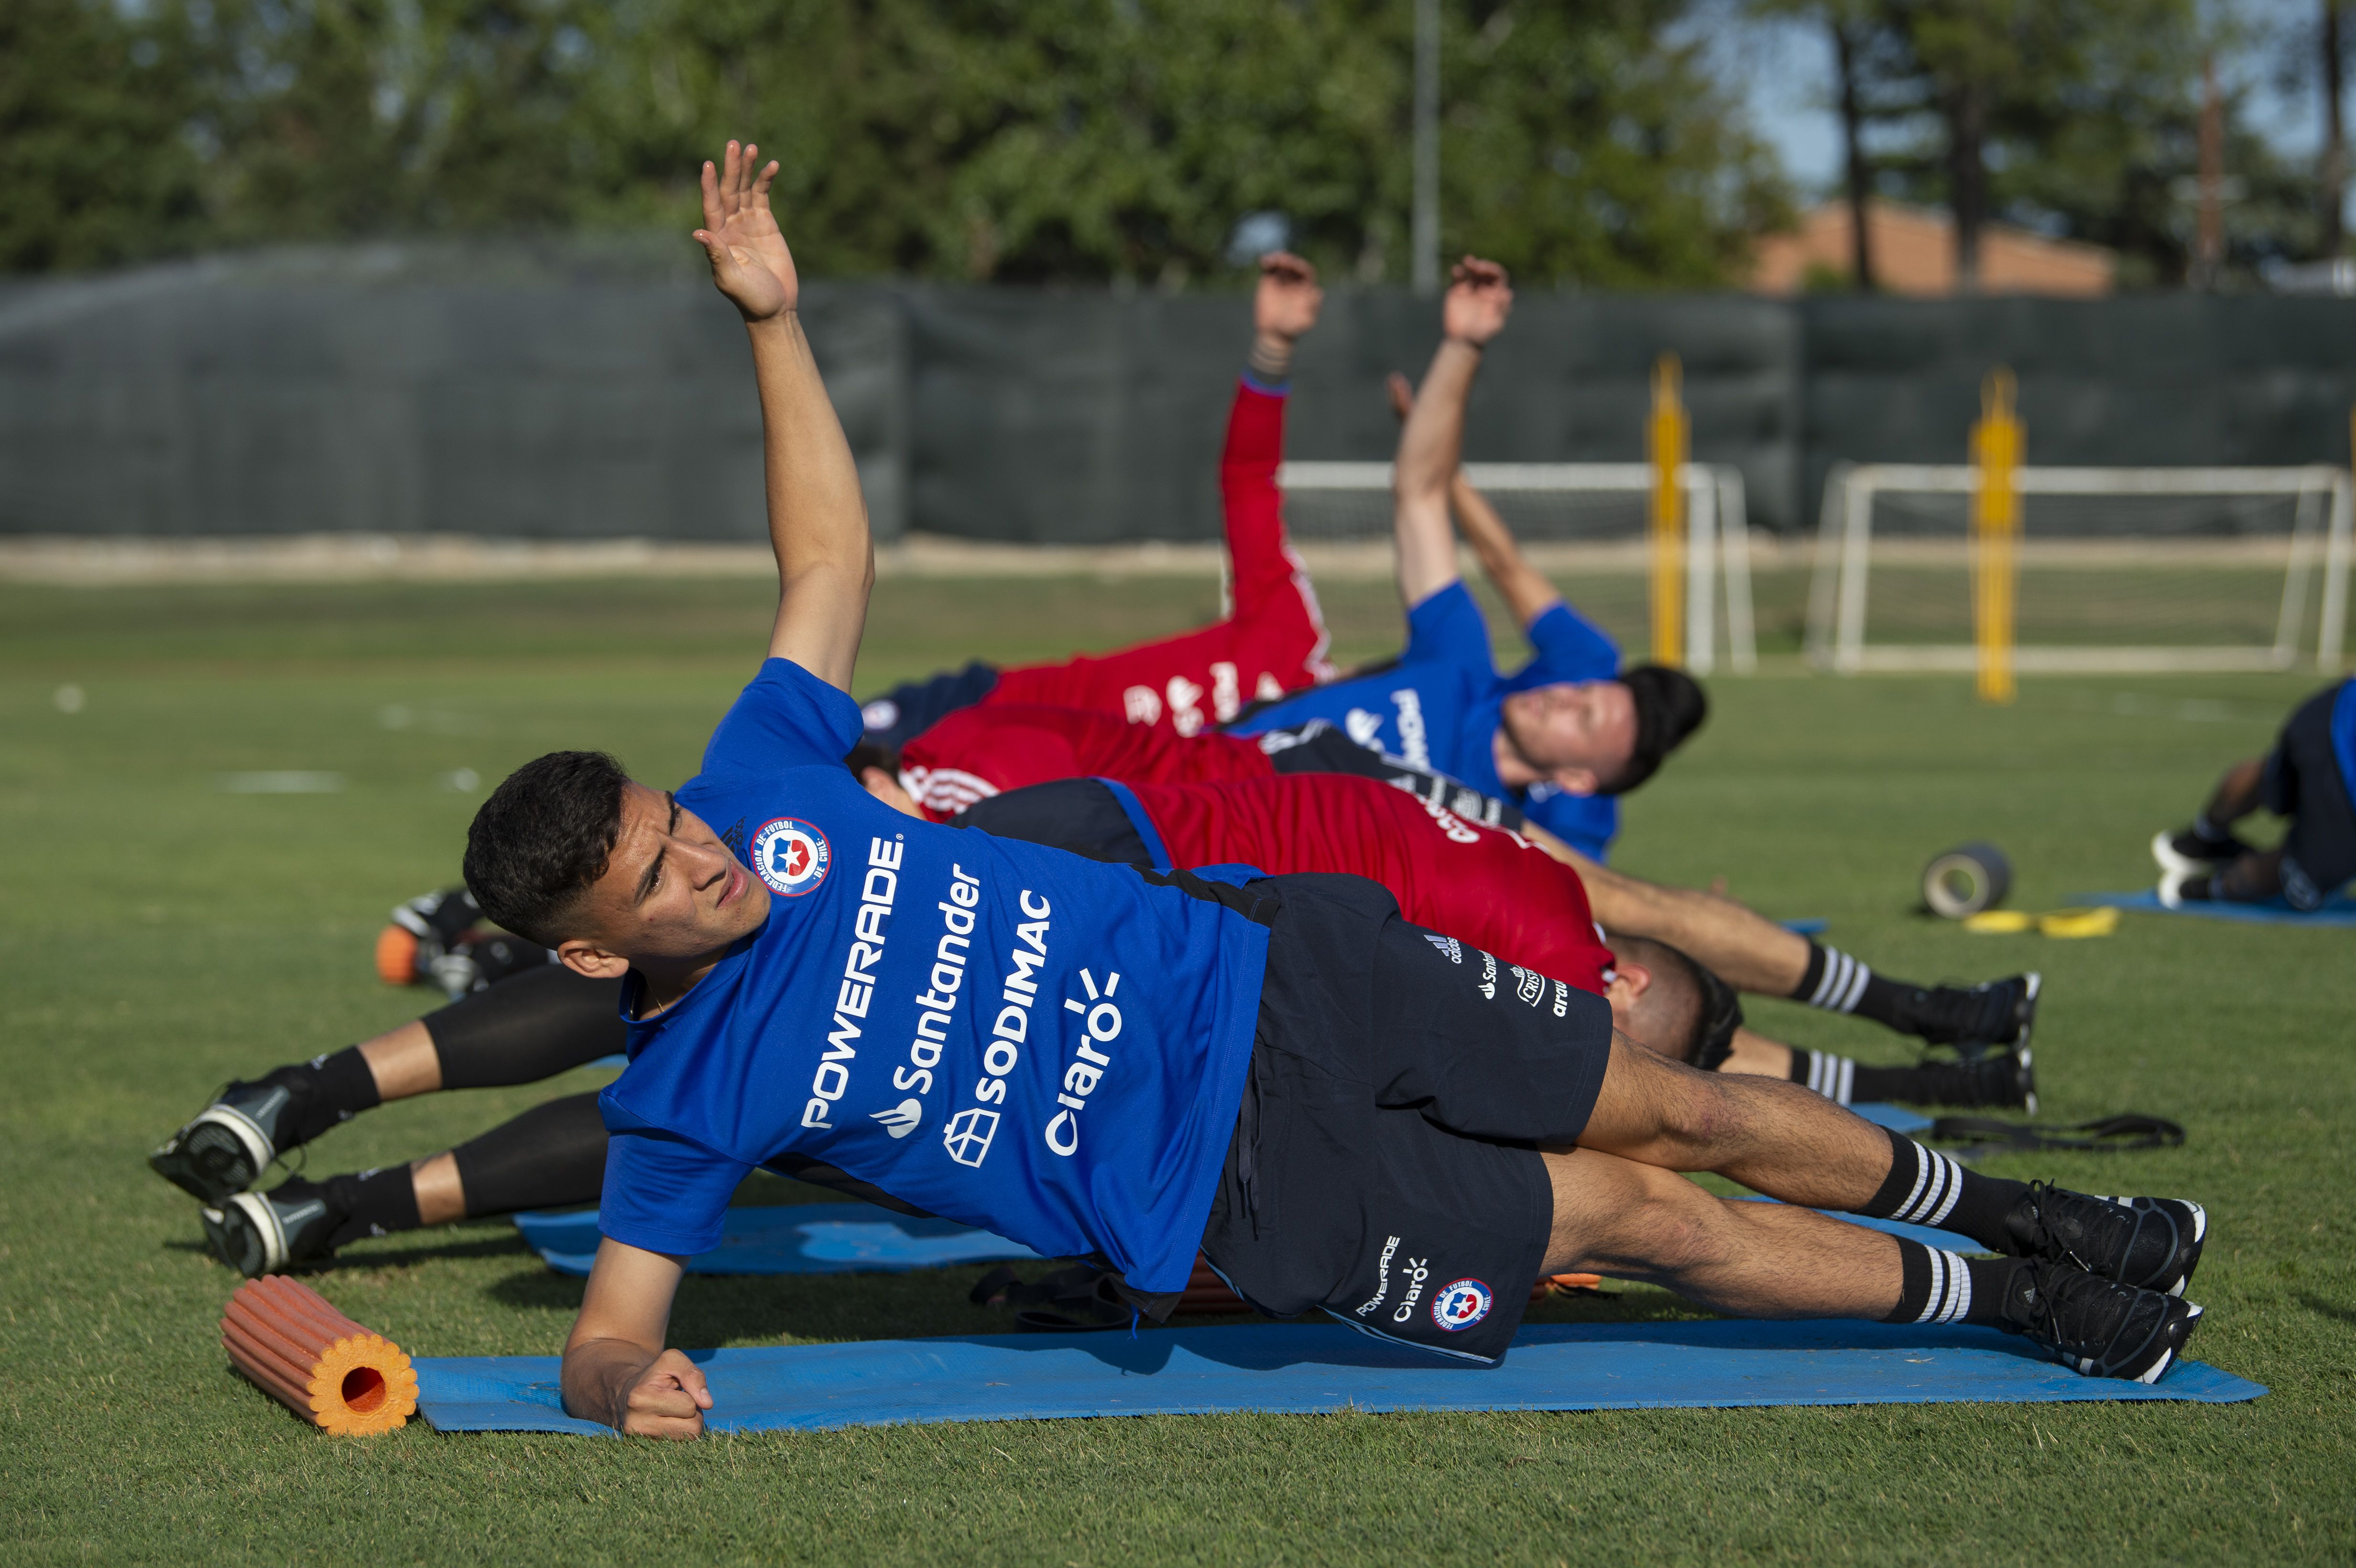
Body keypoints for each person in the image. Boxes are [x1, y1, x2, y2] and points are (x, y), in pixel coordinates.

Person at [429, 145, 2204, 1435]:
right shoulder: (681, 1097)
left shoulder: (768, 779)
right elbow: (613, 1319)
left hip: (1288, 969)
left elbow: (825, 554)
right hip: (1239, 1189)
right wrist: (610, 1384)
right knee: (1644, 1218)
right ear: (593, 957)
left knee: (1687, 1110)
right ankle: (2029, 1303)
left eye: (685, 829)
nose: (714, 866)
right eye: (662, 886)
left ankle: (2038, 1214)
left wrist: (776, 322)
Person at [854, 251, 1332, 749]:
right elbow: (1248, 481)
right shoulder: (1290, 628)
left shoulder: (1323, 773)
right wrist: (1274, 346)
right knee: (812, 753)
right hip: (993, 703)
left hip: (1026, 789)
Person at [2153, 677, 2356, 912]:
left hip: (2337, 709)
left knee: (2268, 771)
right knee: (2298, 870)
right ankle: (2204, 889)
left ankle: (2199, 839)